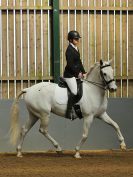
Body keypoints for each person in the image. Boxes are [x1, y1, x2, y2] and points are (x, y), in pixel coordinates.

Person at [63, 30, 86, 120]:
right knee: (74, 91)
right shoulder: (69, 50)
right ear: (71, 40)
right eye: (76, 39)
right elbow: (70, 64)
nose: (78, 40)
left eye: (78, 39)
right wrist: (78, 73)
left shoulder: (76, 48)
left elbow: (79, 62)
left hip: (75, 74)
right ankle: (68, 111)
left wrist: (83, 72)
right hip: (69, 75)